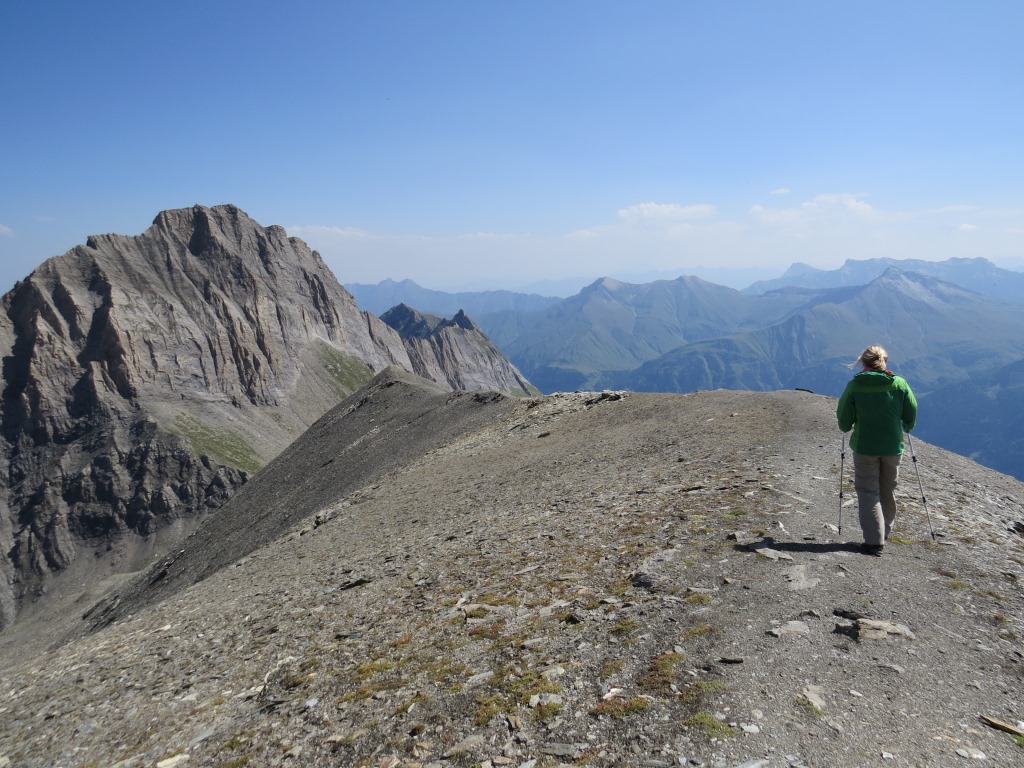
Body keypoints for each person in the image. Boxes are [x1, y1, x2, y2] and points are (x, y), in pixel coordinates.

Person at [836, 345, 918, 556]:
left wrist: (846, 426)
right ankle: (884, 532)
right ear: (885, 361)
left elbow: (844, 415)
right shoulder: (899, 384)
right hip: (892, 447)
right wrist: (908, 425)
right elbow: (911, 410)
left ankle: (874, 541)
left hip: (865, 446)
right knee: (887, 490)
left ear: (863, 362)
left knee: (867, 492)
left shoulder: (855, 385)